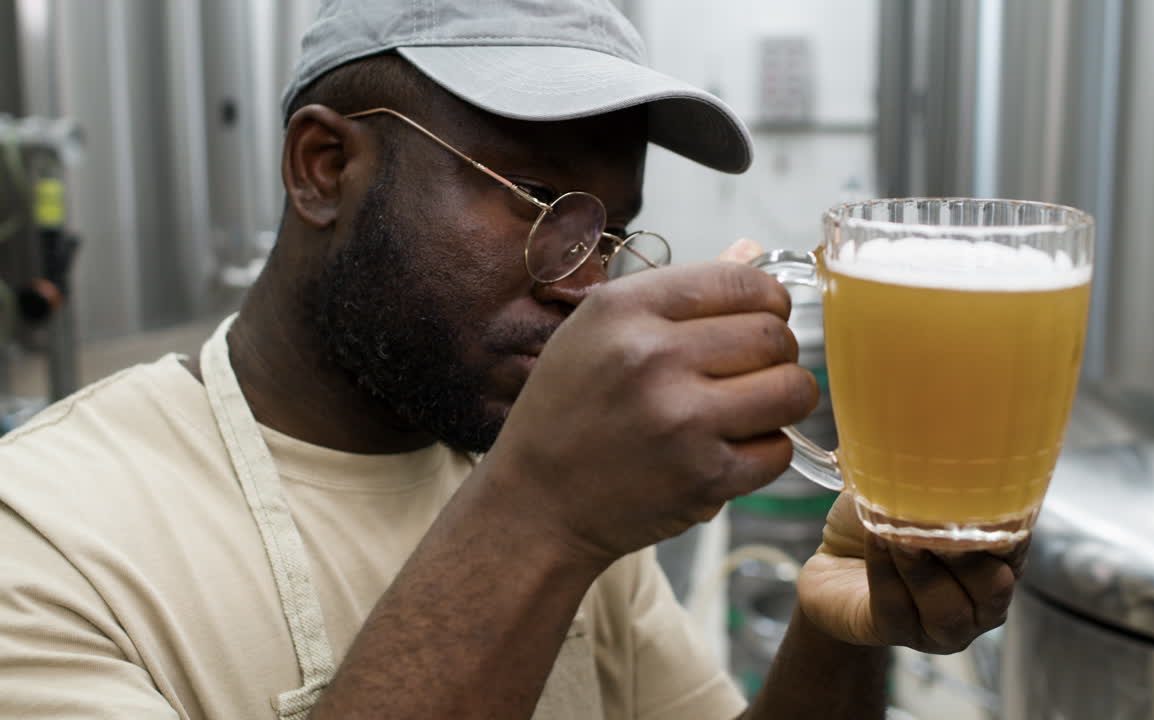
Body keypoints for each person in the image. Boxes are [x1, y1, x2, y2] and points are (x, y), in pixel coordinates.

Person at [0, 1, 1023, 718]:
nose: (585, 281)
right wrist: (539, 512)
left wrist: (834, 635)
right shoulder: (49, 537)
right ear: (324, 167)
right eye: (542, 204)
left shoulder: (538, 472)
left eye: (611, 230)